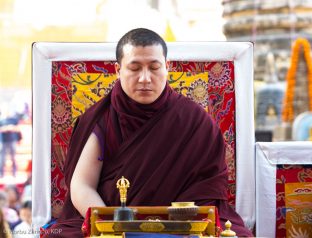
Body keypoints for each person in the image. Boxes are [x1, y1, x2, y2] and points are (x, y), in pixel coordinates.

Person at [44, 28, 253, 237]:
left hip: (180, 225)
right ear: (118, 70)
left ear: (167, 67)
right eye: (134, 68)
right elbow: (82, 185)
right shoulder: (102, 118)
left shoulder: (195, 121)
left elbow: (208, 191)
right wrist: (110, 226)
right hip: (114, 222)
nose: (145, 78)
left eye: (154, 67)